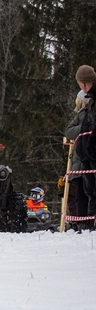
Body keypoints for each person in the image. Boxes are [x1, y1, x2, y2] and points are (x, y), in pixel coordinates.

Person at [74, 64, 96, 223]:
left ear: (83, 83)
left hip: (92, 151)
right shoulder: (92, 99)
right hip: (88, 154)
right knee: (90, 191)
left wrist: (90, 145)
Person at [64, 89, 89, 219]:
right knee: (79, 196)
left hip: (86, 162)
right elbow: (69, 131)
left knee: (87, 195)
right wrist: (83, 128)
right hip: (79, 164)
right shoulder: (80, 116)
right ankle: (81, 222)